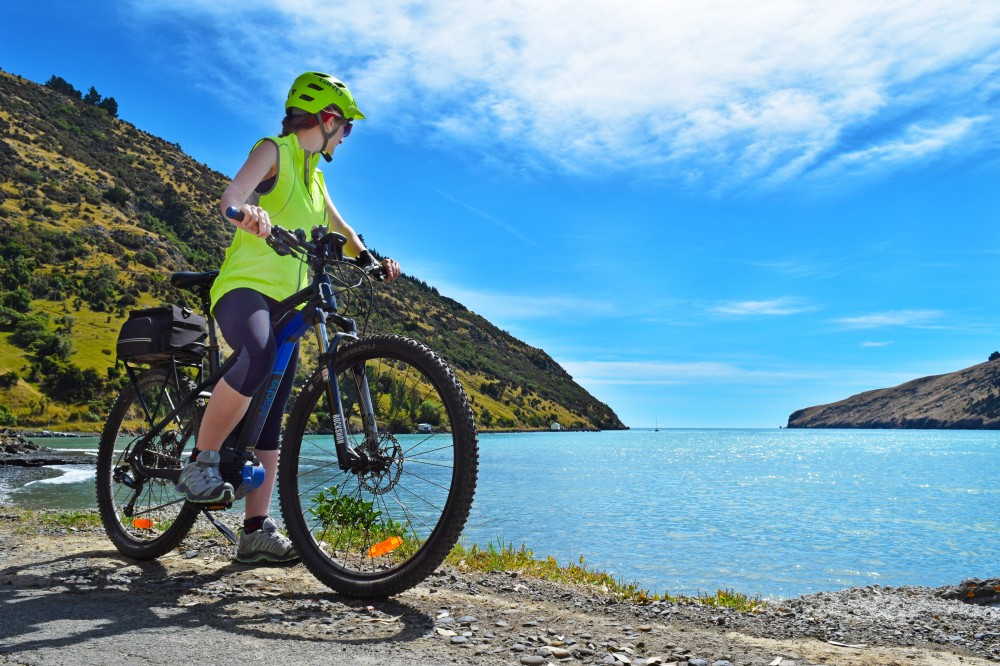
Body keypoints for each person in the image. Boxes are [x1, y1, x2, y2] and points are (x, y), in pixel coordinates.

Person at [175, 72, 400, 564]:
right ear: (326, 119)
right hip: (244, 290)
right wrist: (247, 215)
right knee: (255, 358)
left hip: (288, 304)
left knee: (272, 415)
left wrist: (372, 262)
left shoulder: (317, 178)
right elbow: (232, 196)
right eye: (347, 127)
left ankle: (254, 529)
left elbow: (343, 232)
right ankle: (201, 462)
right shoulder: (272, 150)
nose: (346, 137)